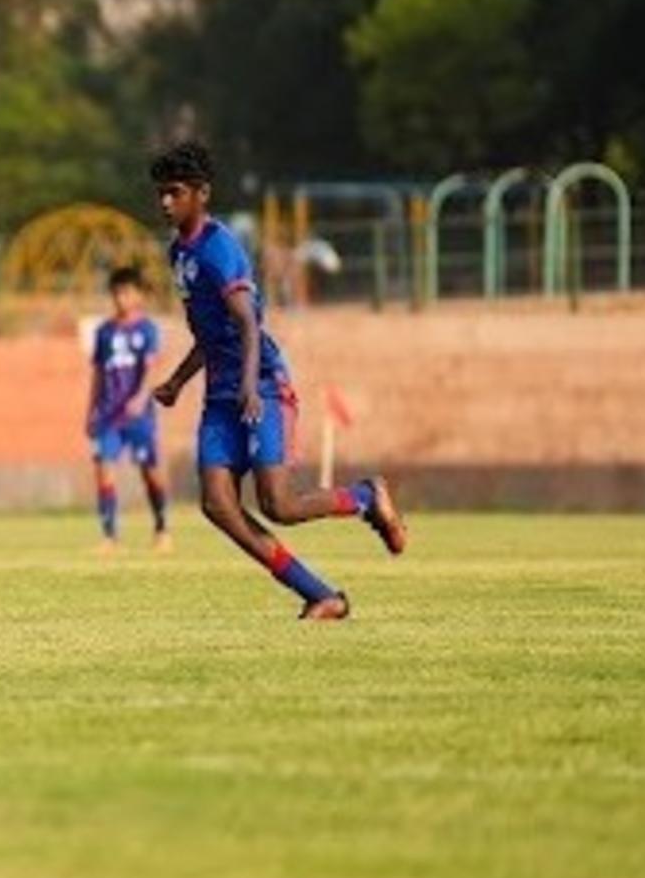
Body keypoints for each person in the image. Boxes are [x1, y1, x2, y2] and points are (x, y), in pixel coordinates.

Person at [145, 142, 406, 620]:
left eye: (175, 192)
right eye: (160, 193)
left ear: (201, 193)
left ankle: (365, 497)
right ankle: (321, 595)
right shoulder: (178, 252)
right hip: (221, 395)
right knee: (218, 504)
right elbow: (211, 332)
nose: (165, 202)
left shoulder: (219, 248)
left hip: (261, 384)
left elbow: (248, 324)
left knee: (279, 504)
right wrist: (178, 381)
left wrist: (249, 386)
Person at [86, 267, 171, 558]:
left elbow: (151, 368)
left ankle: (162, 529)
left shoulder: (147, 330)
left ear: (138, 296)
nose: (121, 298)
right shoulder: (104, 332)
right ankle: (110, 537)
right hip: (108, 416)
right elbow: (98, 374)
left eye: (126, 293)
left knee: (150, 474)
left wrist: (140, 397)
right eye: (116, 293)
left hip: (138, 415)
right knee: (103, 471)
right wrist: (90, 411)